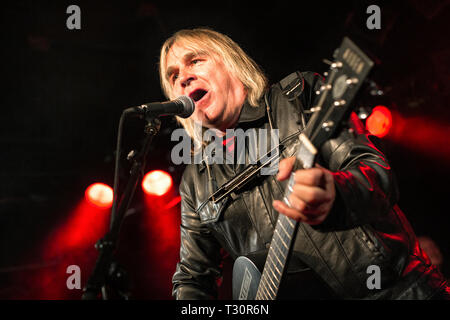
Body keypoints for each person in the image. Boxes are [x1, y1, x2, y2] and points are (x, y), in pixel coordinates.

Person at [158, 27, 449, 299]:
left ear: (230, 62)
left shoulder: (297, 98)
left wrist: (337, 193)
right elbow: (193, 277)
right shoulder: (196, 179)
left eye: (195, 61)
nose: (183, 77)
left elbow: (376, 175)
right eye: (173, 76)